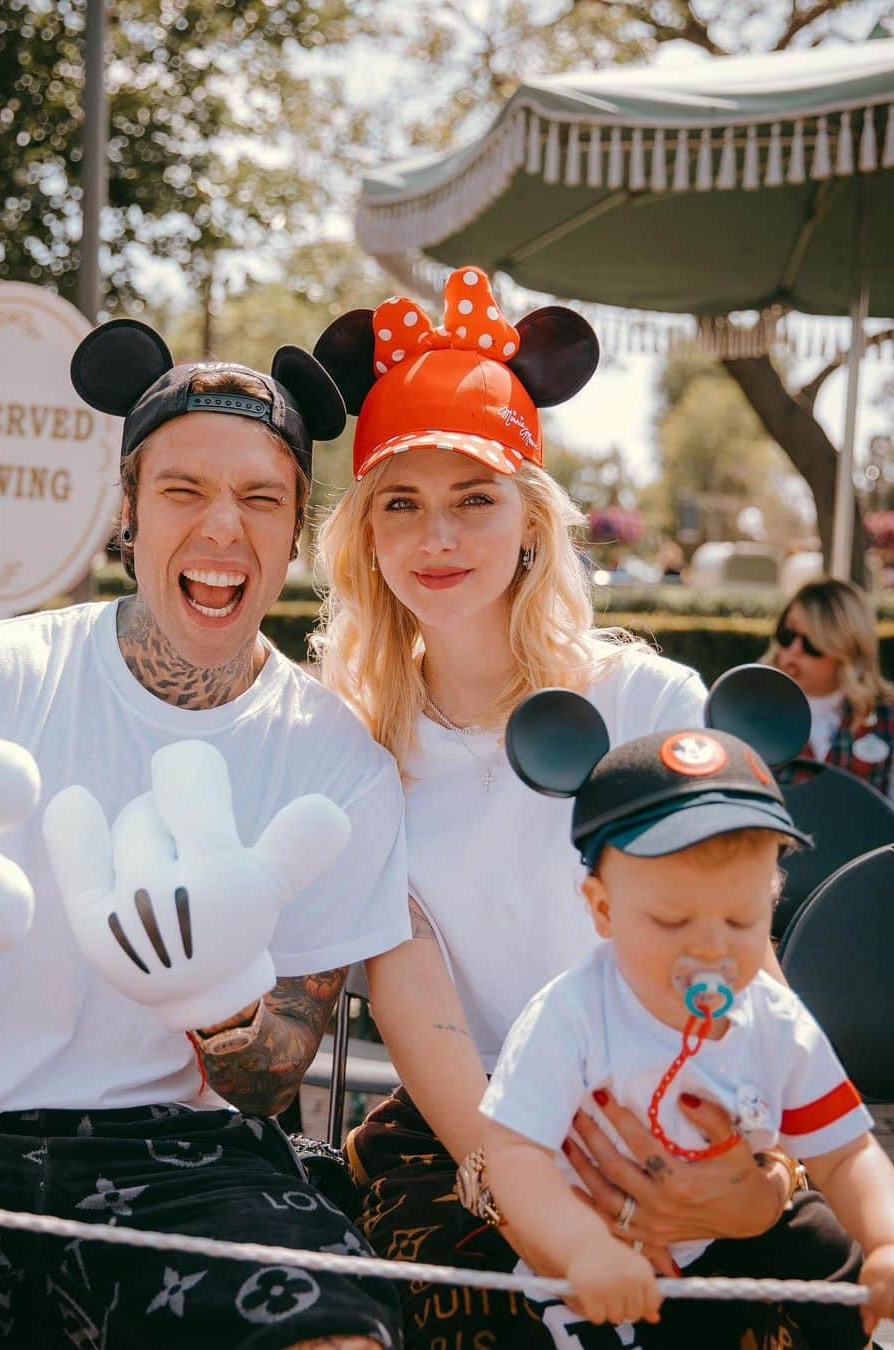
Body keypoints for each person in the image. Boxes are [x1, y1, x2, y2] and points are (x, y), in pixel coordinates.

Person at [0, 319, 410, 1350]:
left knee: (335, 1336)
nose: (224, 528)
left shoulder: (336, 761)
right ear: (128, 516)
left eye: (261, 498)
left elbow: (275, 1078)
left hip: (181, 1160)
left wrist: (217, 1001)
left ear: (297, 528)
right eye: (183, 491)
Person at [311, 267, 809, 1349]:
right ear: (366, 537)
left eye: (473, 499)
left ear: (530, 524)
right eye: (402, 504)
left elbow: (736, 950)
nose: (437, 537)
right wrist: (528, 1183)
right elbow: (415, 996)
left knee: (797, 1297)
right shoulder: (354, 746)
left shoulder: (645, 703)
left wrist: (746, 1161)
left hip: (676, 1090)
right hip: (471, 1127)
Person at [481, 674, 889, 1344]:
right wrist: (583, 1247)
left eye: (741, 917)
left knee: (831, 1285)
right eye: (671, 920)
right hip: (599, 1259)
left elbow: (846, 1154)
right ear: (603, 910)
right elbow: (514, 1153)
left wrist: (885, 1238)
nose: (711, 948)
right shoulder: (572, 1016)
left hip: (737, 1238)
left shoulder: (775, 1022)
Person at [764, 575, 893, 799]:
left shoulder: (886, 717)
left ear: (846, 648)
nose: (794, 649)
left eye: (812, 642)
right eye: (787, 634)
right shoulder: (748, 708)